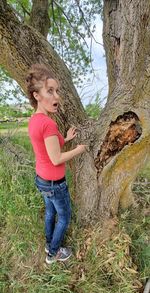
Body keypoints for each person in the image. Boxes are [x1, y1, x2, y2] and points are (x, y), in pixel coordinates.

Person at [26, 64, 86, 264]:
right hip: (54, 182)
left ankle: (48, 243)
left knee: (50, 212)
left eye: (57, 91)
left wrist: (66, 139)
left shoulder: (35, 120)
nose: (57, 96)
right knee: (64, 217)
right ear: (37, 95)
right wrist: (79, 149)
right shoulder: (48, 123)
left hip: (42, 180)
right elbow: (56, 158)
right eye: (50, 91)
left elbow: (47, 147)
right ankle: (53, 253)